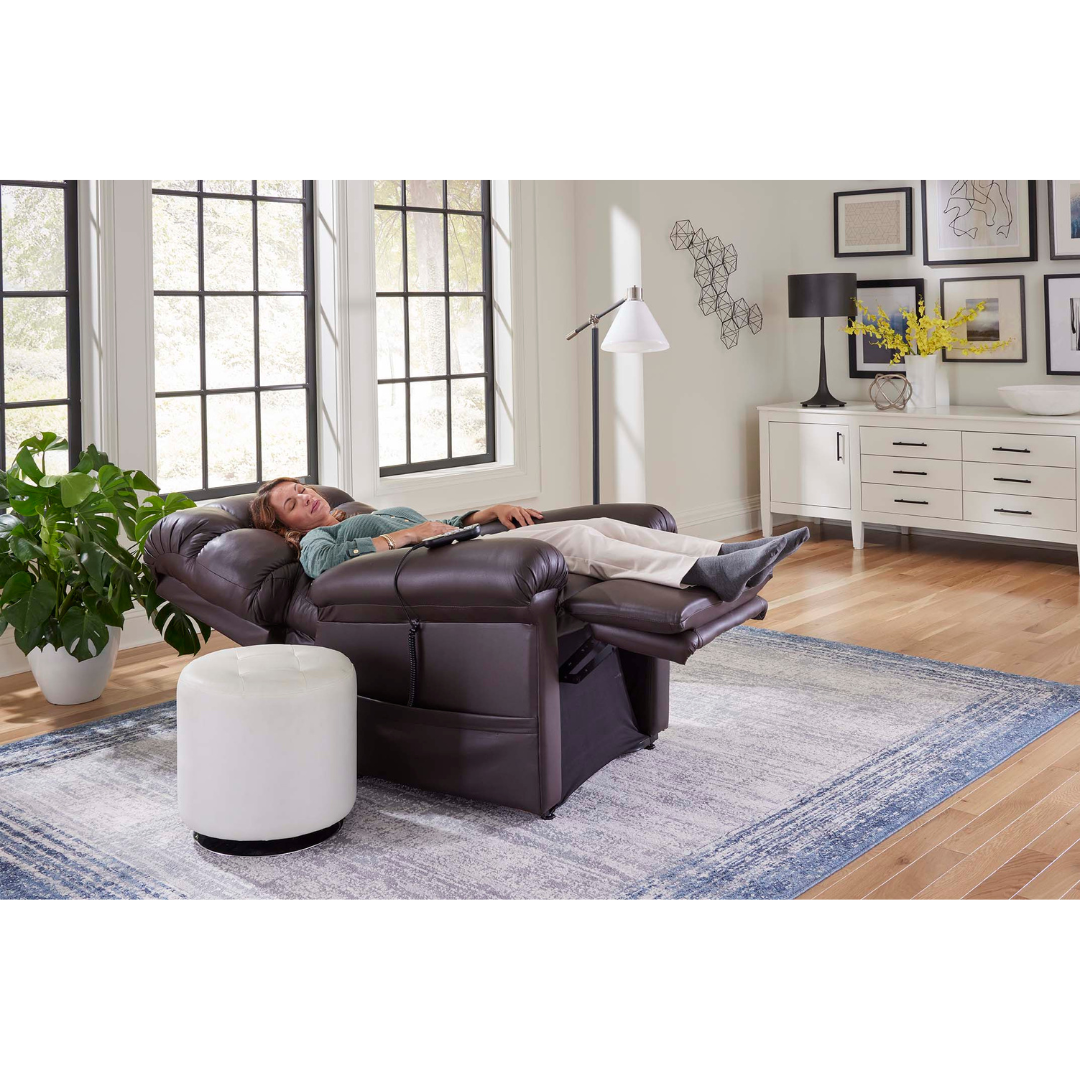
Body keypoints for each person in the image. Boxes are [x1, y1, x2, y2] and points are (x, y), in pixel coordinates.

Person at [249, 478, 808, 604]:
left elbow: (431, 524)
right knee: (579, 539)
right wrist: (404, 536)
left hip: (467, 540)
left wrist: (484, 510)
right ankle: (700, 575)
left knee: (603, 528)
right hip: (450, 567)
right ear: (283, 527)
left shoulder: (353, 511)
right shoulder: (316, 544)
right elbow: (326, 570)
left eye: (302, 488)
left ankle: (724, 554)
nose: (306, 498)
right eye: (292, 503)